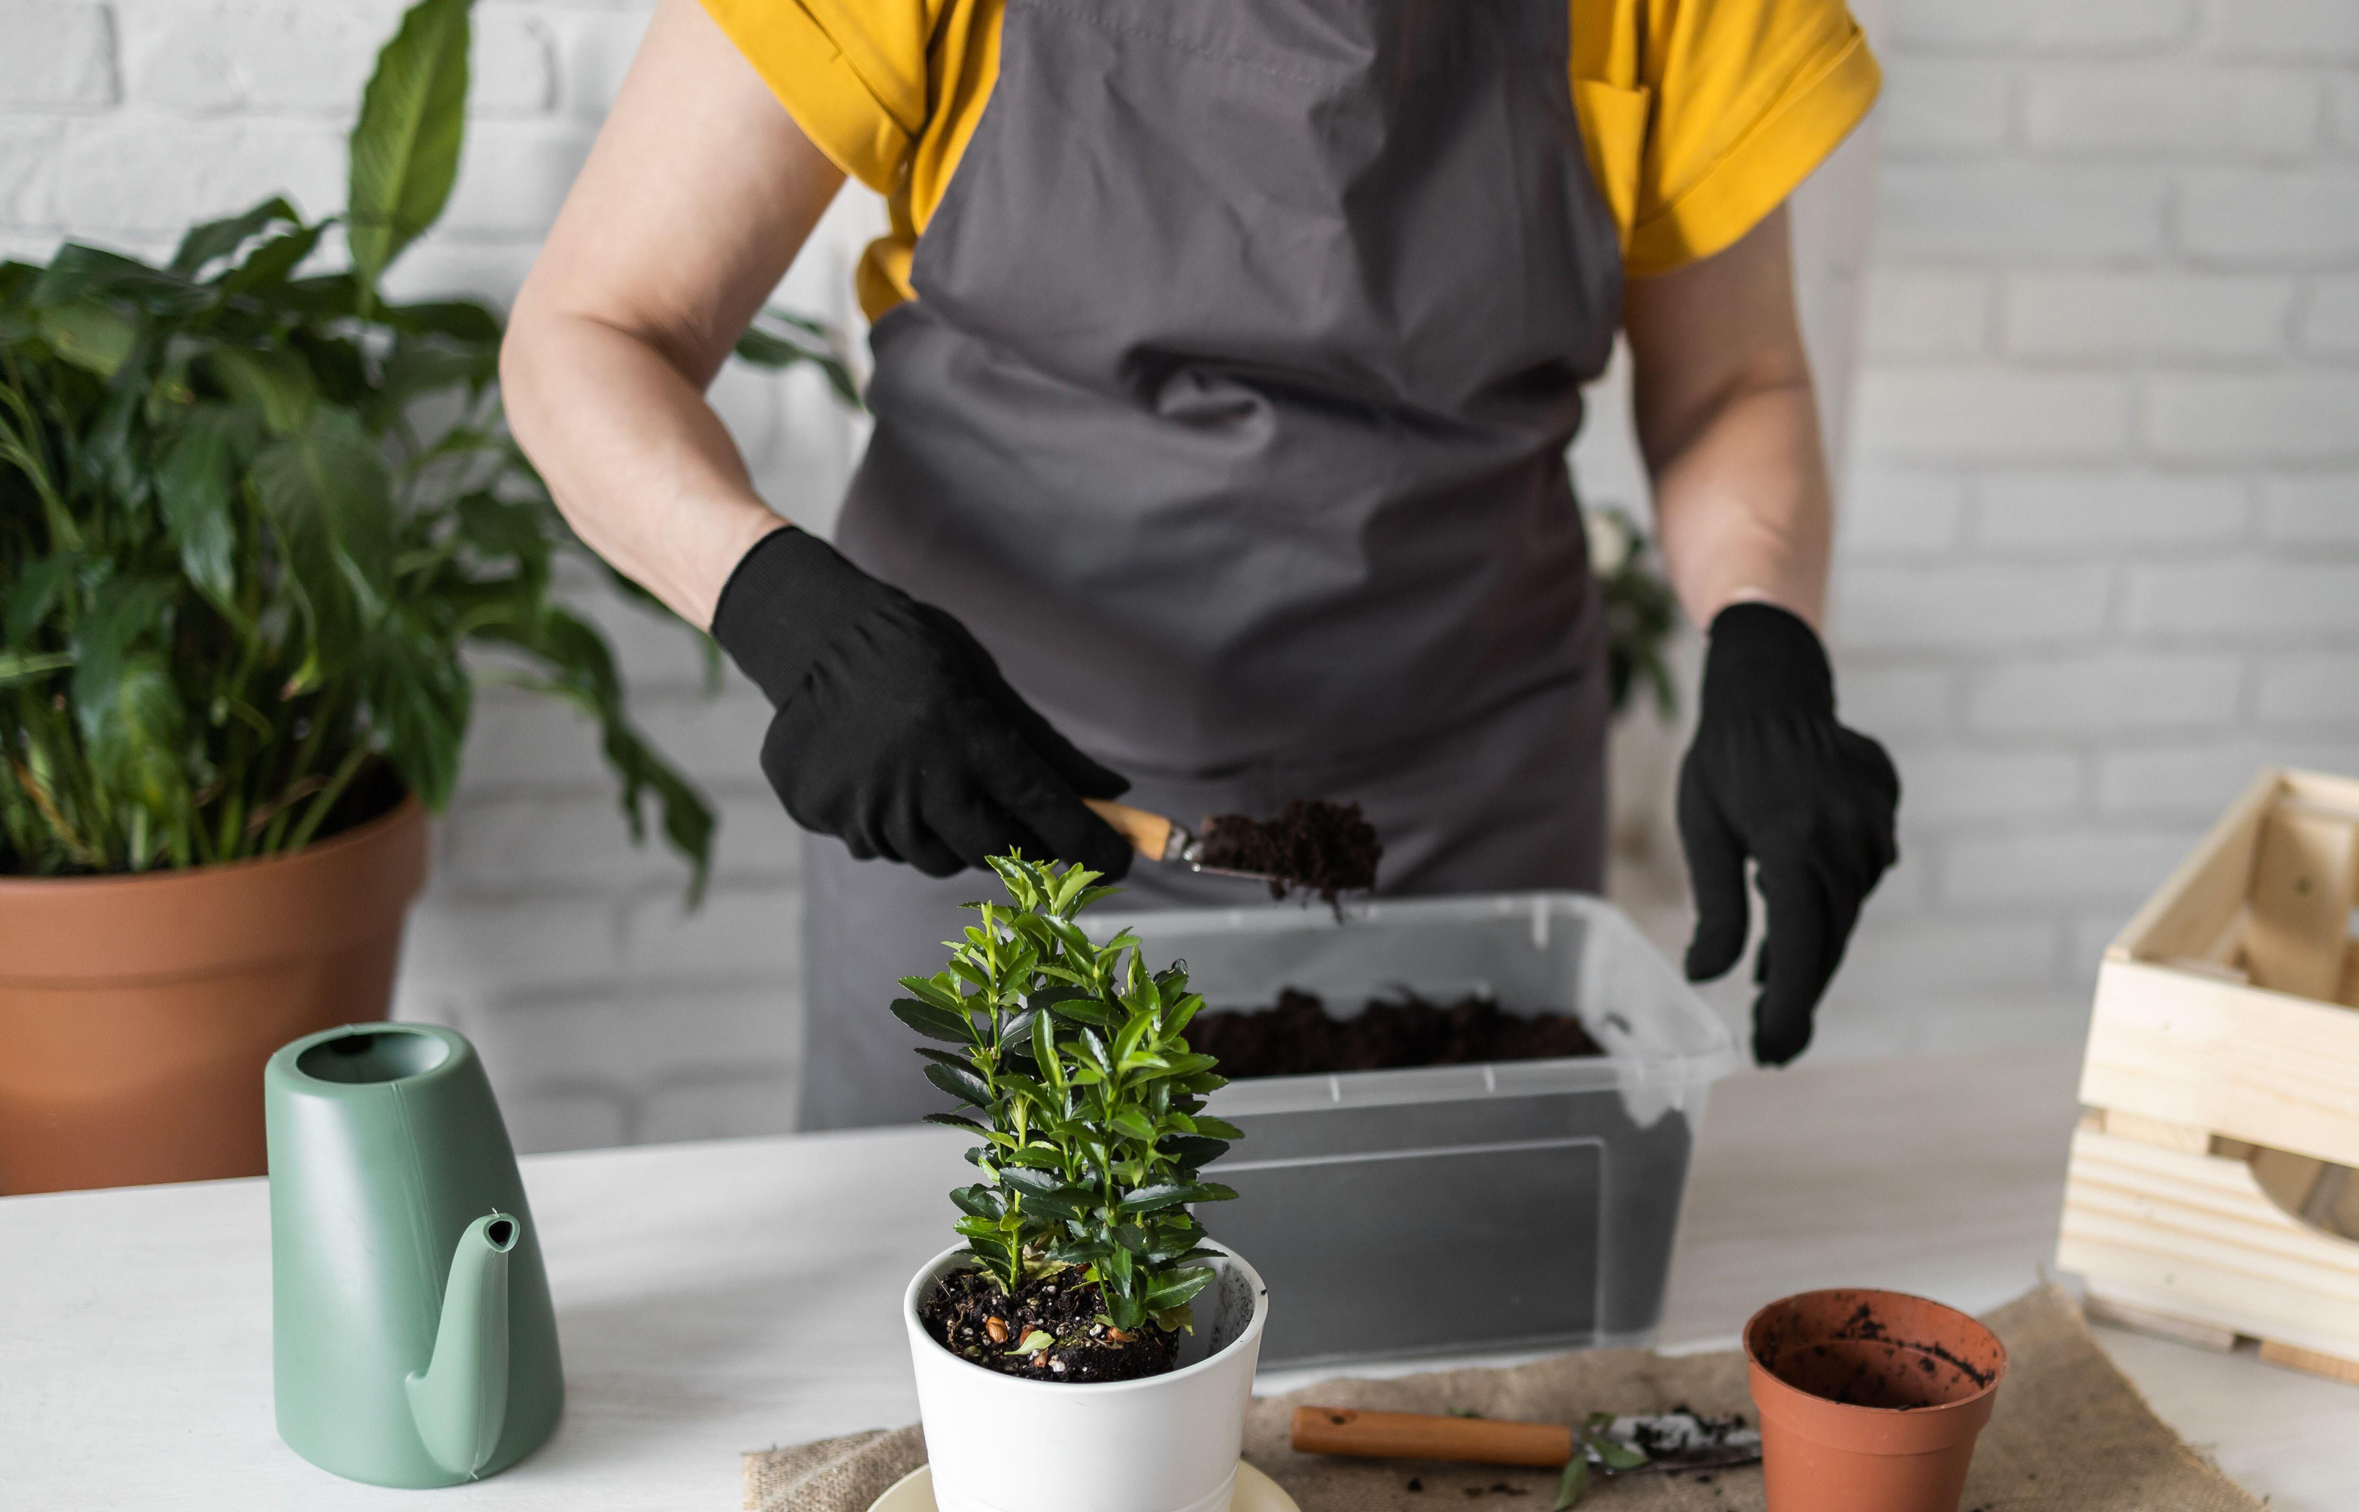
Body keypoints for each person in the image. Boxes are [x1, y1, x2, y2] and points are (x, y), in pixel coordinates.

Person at [503, 0, 1902, 1125]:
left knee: (1442, 1356)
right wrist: (789, 613)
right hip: (983, 799)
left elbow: (1732, 388)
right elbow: (597, 330)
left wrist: (1765, 635)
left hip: (1454, 825)